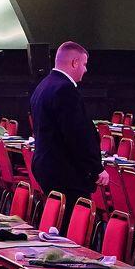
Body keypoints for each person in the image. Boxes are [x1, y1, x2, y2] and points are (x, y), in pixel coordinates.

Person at [27, 42, 102, 207]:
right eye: (84, 64)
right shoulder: (65, 90)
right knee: (72, 220)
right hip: (65, 172)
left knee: (56, 217)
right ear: (75, 63)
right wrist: (96, 168)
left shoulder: (43, 85)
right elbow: (77, 136)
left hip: (47, 167)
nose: (85, 70)